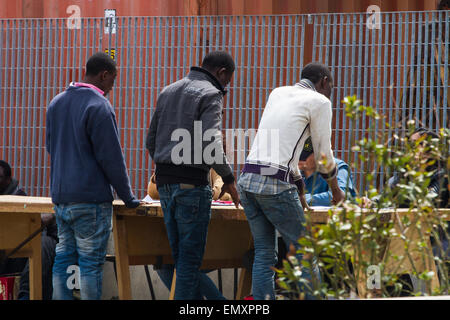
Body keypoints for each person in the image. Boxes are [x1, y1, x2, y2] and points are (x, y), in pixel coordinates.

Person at [238, 62, 345, 300]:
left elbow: (277, 150)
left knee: (265, 252)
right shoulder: (320, 102)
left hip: (246, 181)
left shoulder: (278, 92)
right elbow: (323, 154)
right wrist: (336, 191)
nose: (330, 93)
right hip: (274, 186)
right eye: (331, 87)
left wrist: (298, 183)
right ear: (324, 82)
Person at [46, 52, 142, 300]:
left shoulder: (56, 102)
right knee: (90, 264)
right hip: (90, 201)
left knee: (64, 257)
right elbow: (111, 159)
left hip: (61, 199)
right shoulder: (99, 106)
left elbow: (51, 147)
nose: (112, 86)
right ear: (104, 74)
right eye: (113, 80)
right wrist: (128, 197)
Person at [146, 50, 240, 300]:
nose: (226, 87)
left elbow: (150, 141)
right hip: (192, 186)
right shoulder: (211, 93)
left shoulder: (168, 90)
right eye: (227, 81)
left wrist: (168, 167)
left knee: (179, 261)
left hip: (165, 184)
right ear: (221, 73)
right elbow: (211, 144)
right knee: (188, 264)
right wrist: (229, 179)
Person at [0, 160, 57, 300]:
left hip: (21, 255)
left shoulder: (21, 201)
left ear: (8, 180)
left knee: (43, 245)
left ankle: (26, 295)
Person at [298, 137, 356, 206]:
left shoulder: (338, 167)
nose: (299, 160)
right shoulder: (295, 170)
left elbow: (341, 197)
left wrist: (301, 200)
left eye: (304, 156)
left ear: (319, 154)